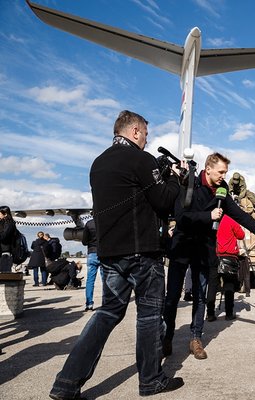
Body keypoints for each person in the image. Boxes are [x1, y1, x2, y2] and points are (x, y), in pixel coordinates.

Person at [49, 110, 184, 399]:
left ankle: (66, 384)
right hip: (142, 254)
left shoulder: (98, 163)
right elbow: (163, 203)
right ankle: (150, 380)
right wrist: (173, 178)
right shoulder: (140, 159)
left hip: (110, 253)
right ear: (135, 131)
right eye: (145, 134)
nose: (147, 140)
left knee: (106, 314)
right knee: (149, 316)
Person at [162, 152, 255, 360]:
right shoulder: (188, 183)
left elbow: (240, 215)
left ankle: (195, 339)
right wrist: (207, 216)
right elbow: (181, 217)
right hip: (182, 246)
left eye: (225, 173)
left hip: (204, 249)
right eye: (220, 172)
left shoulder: (221, 191)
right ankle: (167, 337)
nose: (223, 176)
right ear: (208, 168)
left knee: (201, 296)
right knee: (172, 296)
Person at [216, 214, 245, 320]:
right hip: (229, 255)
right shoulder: (230, 219)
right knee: (229, 285)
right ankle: (229, 313)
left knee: (212, 284)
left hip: (215, 254)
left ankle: (209, 313)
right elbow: (241, 235)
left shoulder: (212, 217)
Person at [81, 218, 102, 311]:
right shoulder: (104, 221)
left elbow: (84, 242)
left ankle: (89, 304)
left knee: (90, 281)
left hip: (92, 254)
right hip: (103, 254)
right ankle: (107, 303)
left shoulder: (89, 224)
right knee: (105, 280)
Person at [0, 206, 16, 273]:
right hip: (2, 251)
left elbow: (4, 236)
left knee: (4, 274)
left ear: (5, 214)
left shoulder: (9, 224)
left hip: (5, 252)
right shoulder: (3, 223)